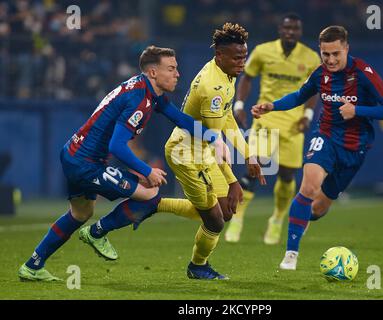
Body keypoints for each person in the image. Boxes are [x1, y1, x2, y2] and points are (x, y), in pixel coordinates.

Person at [18, 45, 230, 281]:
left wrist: (214, 138)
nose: (177, 74)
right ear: (152, 73)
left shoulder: (149, 92)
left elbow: (179, 118)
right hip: (85, 163)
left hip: (73, 154)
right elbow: (117, 146)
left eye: (177, 68)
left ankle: (33, 265)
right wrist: (147, 170)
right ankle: (98, 233)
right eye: (171, 69)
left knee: (80, 213)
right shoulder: (139, 99)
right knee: (150, 193)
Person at [251, 25, 383, 270]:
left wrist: (357, 110)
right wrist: (272, 106)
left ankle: (296, 221)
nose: (330, 60)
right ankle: (291, 254)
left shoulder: (363, 73)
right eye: (325, 54)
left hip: (354, 149)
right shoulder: (320, 74)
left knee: (318, 209)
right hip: (326, 137)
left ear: (346, 49)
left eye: (335, 54)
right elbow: (299, 95)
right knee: (308, 185)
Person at [164, 22, 266, 280]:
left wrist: (249, 155)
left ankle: (155, 206)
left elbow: (227, 116)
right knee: (215, 221)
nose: (242, 63)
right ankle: (197, 266)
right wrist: (233, 181)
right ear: (219, 55)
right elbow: (213, 139)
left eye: (244, 56)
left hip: (202, 149)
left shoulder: (225, 75)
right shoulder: (213, 87)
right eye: (236, 58)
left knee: (226, 211)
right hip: (185, 153)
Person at [225, 13, 321, 244]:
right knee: (254, 167)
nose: (290, 33)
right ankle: (237, 219)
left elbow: (314, 89)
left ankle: (277, 219)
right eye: (287, 28)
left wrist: (308, 114)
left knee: (287, 175)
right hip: (265, 119)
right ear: (280, 29)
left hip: (293, 123)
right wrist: (239, 104)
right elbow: (246, 77)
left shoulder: (310, 58)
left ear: (300, 32)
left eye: (295, 29)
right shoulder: (262, 51)